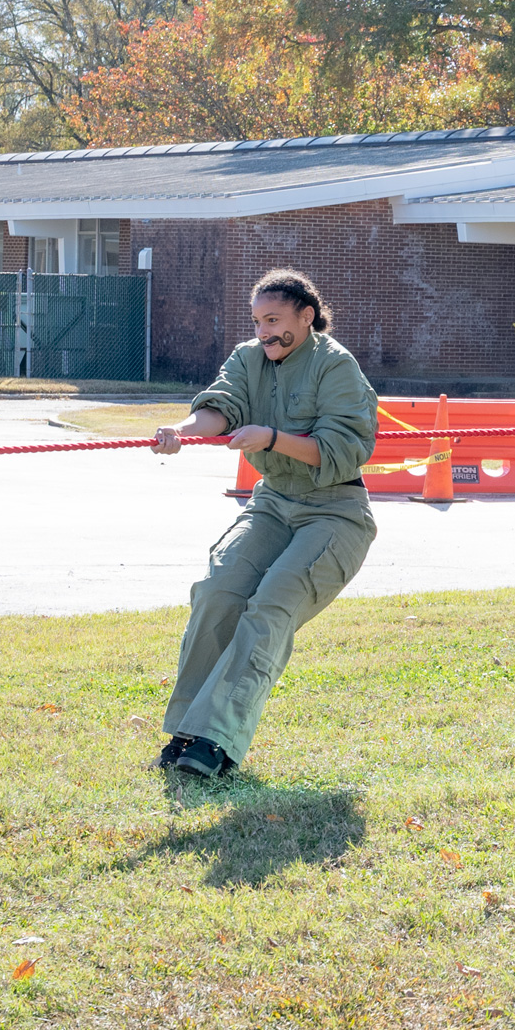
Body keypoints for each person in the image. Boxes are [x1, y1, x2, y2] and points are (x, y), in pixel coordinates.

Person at [148, 269, 378, 777]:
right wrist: (181, 431)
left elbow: (343, 450)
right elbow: (220, 406)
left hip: (334, 511)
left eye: (274, 320)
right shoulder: (249, 357)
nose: (264, 332)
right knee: (217, 592)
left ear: (307, 316)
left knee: (270, 606)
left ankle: (216, 742)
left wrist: (272, 437)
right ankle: (188, 730)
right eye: (257, 322)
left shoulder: (336, 366)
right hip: (273, 502)